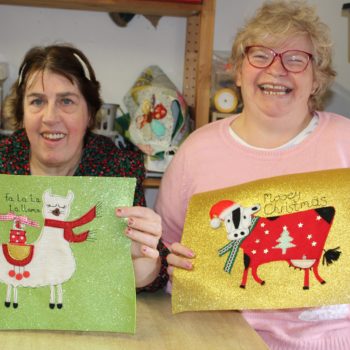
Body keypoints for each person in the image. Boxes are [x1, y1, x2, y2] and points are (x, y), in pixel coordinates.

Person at [155, 0, 350, 348]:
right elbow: (163, 250)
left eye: (295, 59)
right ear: (239, 70)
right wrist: (171, 262)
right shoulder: (196, 152)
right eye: (261, 55)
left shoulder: (345, 142)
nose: (277, 70)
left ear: (317, 78)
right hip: (219, 339)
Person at [0, 44, 168, 290]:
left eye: (66, 101)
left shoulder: (116, 169)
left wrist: (143, 259)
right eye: (37, 101)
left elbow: (147, 280)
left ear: (89, 114)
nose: (50, 117)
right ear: (22, 113)